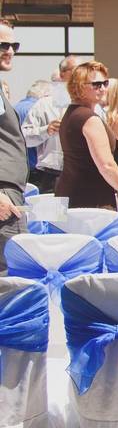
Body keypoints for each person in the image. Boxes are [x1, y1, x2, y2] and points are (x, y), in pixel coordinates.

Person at [55, 62, 118, 210]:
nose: (103, 88)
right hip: (91, 203)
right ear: (78, 86)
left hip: (68, 196)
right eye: (96, 84)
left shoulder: (71, 114)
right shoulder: (89, 119)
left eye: (105, 83)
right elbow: (106, 165)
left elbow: (86, 160)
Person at [21, 55, 76, 193]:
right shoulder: (45, 104)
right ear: (63, 74)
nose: (82, 74)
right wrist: (46, 130)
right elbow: (24, 138)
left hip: (84, 174)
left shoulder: (93, 105)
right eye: (76, 69)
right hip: (52, 176)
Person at [0, 20, 30, 274]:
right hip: (3, 194)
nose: (9, 51)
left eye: (13, 45)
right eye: (2, 45)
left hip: (9, 191)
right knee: (10, 276)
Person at [15, 80, 51, 184]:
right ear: (45, 95)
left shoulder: (15, 107)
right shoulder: (36, 109)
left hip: (18, 166)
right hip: (34, 167)